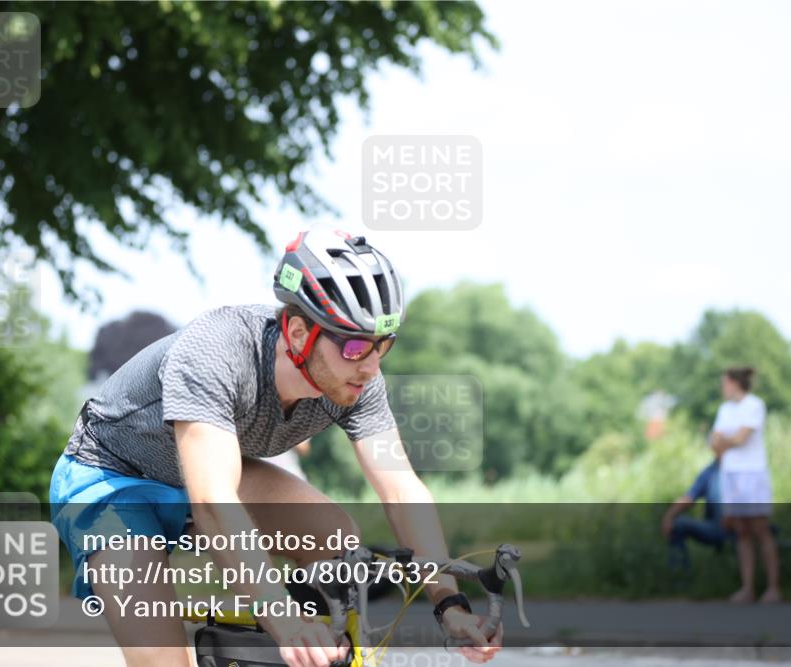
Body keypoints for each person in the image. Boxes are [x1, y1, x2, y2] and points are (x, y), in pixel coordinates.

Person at [49, 229, 503, 667]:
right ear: (301, 333)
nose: (369, 366)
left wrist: (451, 605)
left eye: (382, 345)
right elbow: (213, 502)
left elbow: (402, 490)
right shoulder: (217, 350)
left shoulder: (359, 379)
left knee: (336, 539)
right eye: (354, 347)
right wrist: (281, 614)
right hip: (110, 477)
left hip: (202, 472)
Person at [709, 366, 781, 604]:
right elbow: (716, 443)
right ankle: (747, 588)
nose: (722, 388)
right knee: (741, 531)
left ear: (734, 383)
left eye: (724, 383)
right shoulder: (724, 409)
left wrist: (726, 441)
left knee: (761, 528)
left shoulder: (754, 405)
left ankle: (772, 588)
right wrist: (730, 441)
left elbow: (742, 438)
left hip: (752, 474)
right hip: (731, 475)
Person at [661, 458, 728, 571]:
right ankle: (679, 575)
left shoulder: (745, 468)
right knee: (678, 524)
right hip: (717, 528)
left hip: (743, 527)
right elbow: (689, 497)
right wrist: (669, 516)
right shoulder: (711, 471)